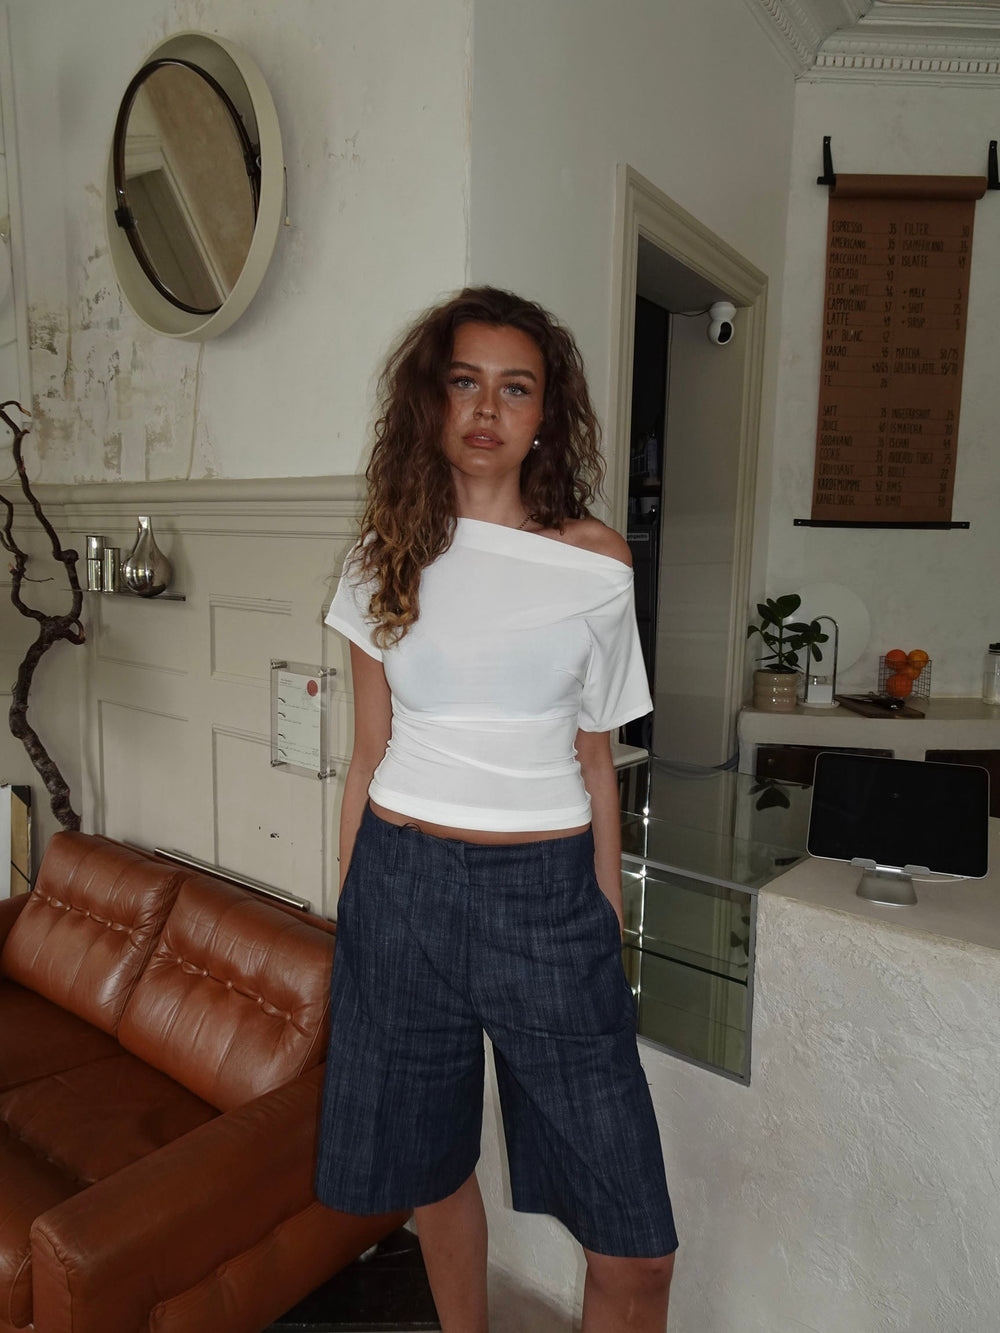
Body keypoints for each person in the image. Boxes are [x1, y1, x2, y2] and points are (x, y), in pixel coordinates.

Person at [317, 286, 677, 1331]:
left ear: (544, 414)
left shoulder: (595, 561)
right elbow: (367, 752)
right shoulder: (382, 556)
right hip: (400, 886)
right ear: (429, 401)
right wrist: (355, 909)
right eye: (464, 381)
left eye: (515, 388)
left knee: (637, 1245)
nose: (486, 407)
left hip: (550, 901)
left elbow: (598, 758)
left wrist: (605, 913)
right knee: (431, 1174)